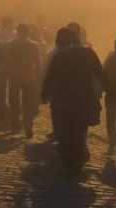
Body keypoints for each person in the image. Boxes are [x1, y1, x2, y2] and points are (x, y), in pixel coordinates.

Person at [41, 27, 106, 177]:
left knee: (64, 131)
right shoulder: (88, 52)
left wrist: (44, 94)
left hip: (63, 100)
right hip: (83, 99)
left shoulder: (60, 55)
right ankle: (77, 160)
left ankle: (69, 160)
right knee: (80, 129)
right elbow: (100, 73)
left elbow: (50, 77)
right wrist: (109, 90)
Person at [8, 24, 42, 137]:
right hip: (29, 76)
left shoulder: (11, 45)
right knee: (28, 103)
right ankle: (28, 126)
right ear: (28, 32)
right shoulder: (33, 45)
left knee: (14, 102)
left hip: (14, 77)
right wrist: (38, 77)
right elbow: (38, 64)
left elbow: (7, 62)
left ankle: (15, 125)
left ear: (17, 32)